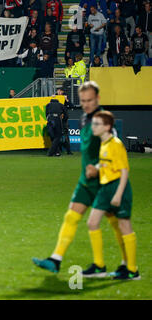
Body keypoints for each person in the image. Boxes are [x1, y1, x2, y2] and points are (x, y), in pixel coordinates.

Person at [33, 81, 127, 275]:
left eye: (89, 100)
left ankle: (127, 265)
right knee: (72, 216)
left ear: (97, 99)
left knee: (116, 223)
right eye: (83, 100)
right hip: (88, 180)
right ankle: (56, 259)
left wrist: (100, 167)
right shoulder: (86, 119)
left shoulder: (103, 120)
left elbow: (113, 150)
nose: (85, 103)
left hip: (105, 179)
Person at [83, 110, 139, 280]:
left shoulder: (116, 144)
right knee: (92, 223)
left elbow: (124, 171)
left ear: (107, 126)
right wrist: (96, 169)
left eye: (97, 124)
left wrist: (118, 194)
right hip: (105, 188)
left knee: (124, 227)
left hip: (117, 187)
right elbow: (106, 162)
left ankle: (132, 269)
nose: (93, 127)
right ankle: (99, 266)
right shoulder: (104, 144)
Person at [56, 87, 73, 155]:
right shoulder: (54, 97)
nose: (60, 92)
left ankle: (68, 151)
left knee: (66, 135)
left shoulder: (65, 98)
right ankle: (58, 150)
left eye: (61, 91)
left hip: (64, 120)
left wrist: (66, 100)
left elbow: (72, 106)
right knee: (57, 135)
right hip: (57, 120)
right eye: (59, 91)